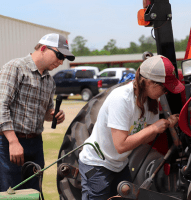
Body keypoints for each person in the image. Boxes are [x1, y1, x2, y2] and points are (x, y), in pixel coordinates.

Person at [78, 55, 185, 200]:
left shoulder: (150, 101)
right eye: (164, 89)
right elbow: (121, 145)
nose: (165, 93)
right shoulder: (122, 99)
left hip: (119, 165)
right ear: (148, 82)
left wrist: (164, 124)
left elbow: (149, 138)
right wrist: (153, 128)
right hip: (98, 165)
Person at [0, 33, 75, 192]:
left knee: (34, 194)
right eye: (59, 55)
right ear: (43, 48)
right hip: (9, 143)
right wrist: (13, 142)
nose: (60, 61)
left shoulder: (49, 80)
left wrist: (53, 115)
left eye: (64, 58)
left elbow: (45, 112)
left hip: (35, 143)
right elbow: (0, 107)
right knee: (12, 194)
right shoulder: (15, 67)